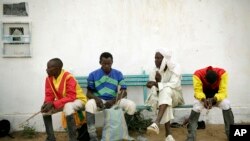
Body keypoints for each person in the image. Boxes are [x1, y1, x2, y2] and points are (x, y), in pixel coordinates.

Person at [85, 52, 136, 141]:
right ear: (100, 63)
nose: (107, 66)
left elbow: (124, 92)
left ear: (112, 62)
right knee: (89, 104)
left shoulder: (118, 73)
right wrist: (97, 99)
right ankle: (92, 136)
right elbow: (88, 93)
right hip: (100, 101)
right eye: (104, 63)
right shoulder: (93, 75)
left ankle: (123, 130)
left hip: (114, 100)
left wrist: (113, 101)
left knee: (131, 105)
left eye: (109, 63)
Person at [41, 58, 87, 141]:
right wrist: (47, 103)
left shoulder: (69, 77)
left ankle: (72, 138)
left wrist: (53, 104)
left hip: (78, 100)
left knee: (68, 107)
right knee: (45, 111)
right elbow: (49, 94)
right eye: (47, 67)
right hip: (64, 102)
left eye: (49, 67)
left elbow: (71, 97)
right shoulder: (49, 78)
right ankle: (50, 138)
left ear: (57, 68)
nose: (46, 69)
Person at [186, 66, 234, 141]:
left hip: (216, 97)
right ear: (205, 78)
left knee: (226, 104)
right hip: (203, 98)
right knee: (196, 106)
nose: (212, 86)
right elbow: (197, 91)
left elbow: (223, 92)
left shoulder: (223, 74)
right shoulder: (197, 74)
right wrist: (204, 100)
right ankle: (191, 137)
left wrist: (213, 99)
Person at [146, 49, 184, 141]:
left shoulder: (175, 68)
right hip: (162, 99)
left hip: (175, 96)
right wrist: (157, 82)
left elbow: (175, 85)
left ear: (165, 60)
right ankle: (168, 135)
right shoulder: (154, 71)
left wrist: (157, 83)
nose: (156, 60)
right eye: (155, 58)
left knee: (166, 91)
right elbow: (155, 90)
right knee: (166, 102)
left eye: (158, 58)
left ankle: (157, 122)